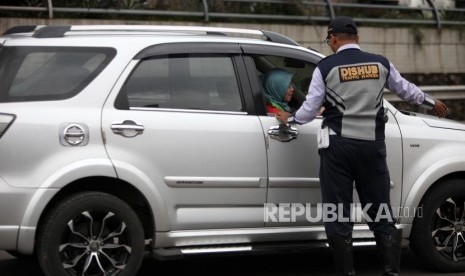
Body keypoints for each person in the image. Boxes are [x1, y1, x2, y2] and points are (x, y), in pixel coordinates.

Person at [276, 16, 448, 276]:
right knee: (380, 210)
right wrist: (430, 102)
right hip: (372, 149)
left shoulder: (326, 67)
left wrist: (291, 118)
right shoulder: (380, 64)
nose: (329, 44)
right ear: (356, 37)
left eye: (329, 40)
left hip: (338, 150)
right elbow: (406, 91)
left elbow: (310, 110)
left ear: (333, 38)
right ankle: (391, 272)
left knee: (338, 213)